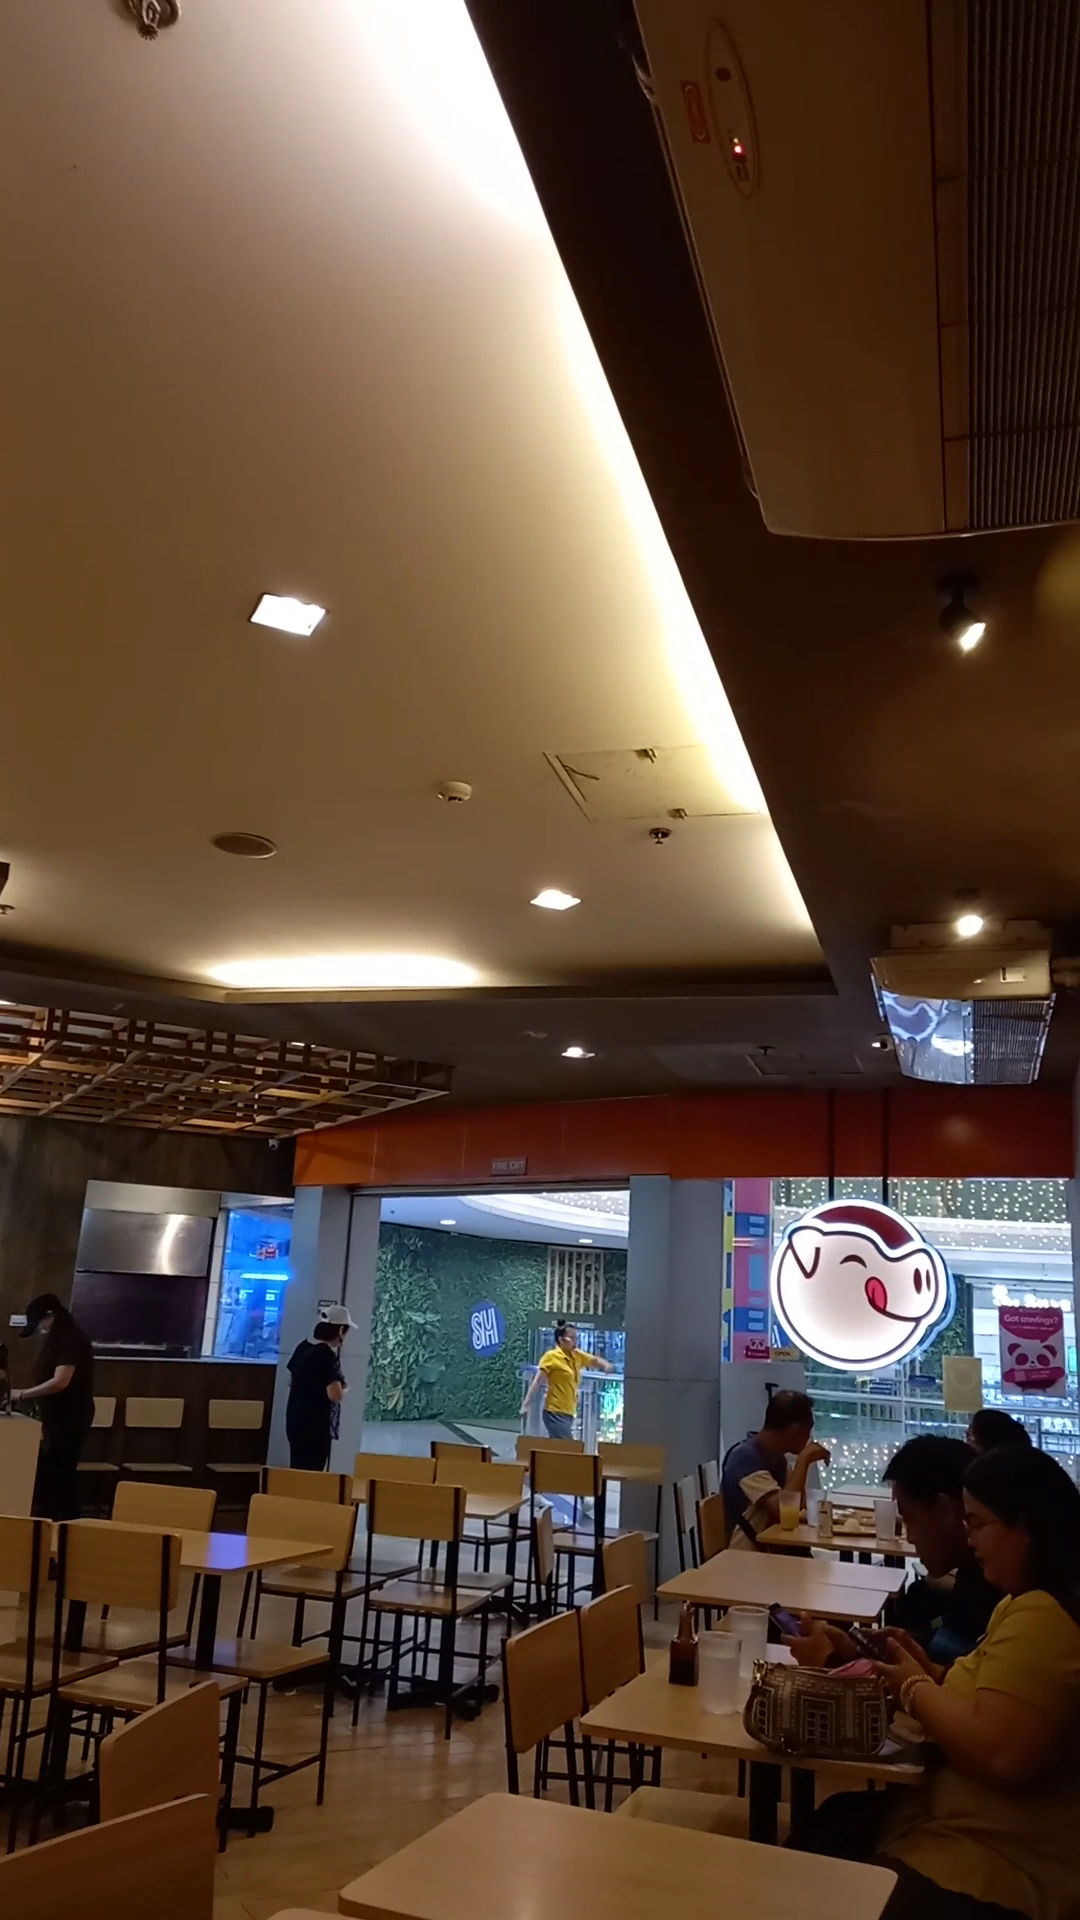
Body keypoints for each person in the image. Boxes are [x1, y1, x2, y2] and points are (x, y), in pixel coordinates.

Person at [803, 1444, 1080, 1920]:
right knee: (829, 1826)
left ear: (1026, 1526)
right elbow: (998, 1696)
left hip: (998, 1862)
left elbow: (1001, 1752)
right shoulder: (1021, 1603)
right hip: (968, 1831)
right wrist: (931, 1673)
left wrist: (914, 1687)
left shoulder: (1046, 1617)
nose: (971, 1540)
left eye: (979, 1524)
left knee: (820, 1867)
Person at [787, 1434, 998, 1669]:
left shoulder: (986, 1590)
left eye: (909, 1519)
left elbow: (938, 1686)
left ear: (944, 1511)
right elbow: (941, 1668)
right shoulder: (974, 1576)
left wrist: (830, 1661)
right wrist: (858, 1651)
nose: (909, 1537)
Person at [9, 1293, 94, 1520]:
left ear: (51, 1316)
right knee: (51, 1473)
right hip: (56, 1416)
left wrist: (23, 1394)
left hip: (70, 1417)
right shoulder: (58, 1339)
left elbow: (60, 1382)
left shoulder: (71, 1339)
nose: (41, 1330)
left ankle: (64, 1523)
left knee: (60, 1475)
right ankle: (49, 1520)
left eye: (40, 1324)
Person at [720, 1389, 830, 1549]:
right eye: (807, 1431)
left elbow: (799, 1504)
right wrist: (803, 1460)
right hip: (746, 1556)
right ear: (795, 1429)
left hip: (771, 1549)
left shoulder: (777, 1458)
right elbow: (784, 1511)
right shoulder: (746, 1459)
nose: (809, 1438)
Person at [520, 1321, 615, 1439]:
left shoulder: (576, 1355)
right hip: (554, 1411)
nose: (575, 1341)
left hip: (569, 1411)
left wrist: (606, 1365)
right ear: (561, 1340)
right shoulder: (551, 1357)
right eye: (572, 1338)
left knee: (558, 1445)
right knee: (567, 1444)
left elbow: (594, 1360)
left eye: (576, 1338)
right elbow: (537, 1381)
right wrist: (526, 1404)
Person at [285, 1305, 352, 1470]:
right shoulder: (327, 1356)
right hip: (315, 1426)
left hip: (295, 1420)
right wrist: (345, 1389)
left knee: (297, 1470)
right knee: (313, 1473)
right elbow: (335, 1395)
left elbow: (291, 1381)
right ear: (341, 1330)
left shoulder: (303, 1347)